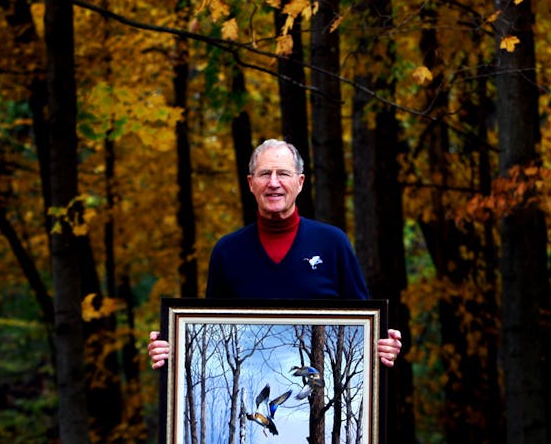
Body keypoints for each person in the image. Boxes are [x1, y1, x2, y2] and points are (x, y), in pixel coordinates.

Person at [148, 138, 402, 368]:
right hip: (250, 380)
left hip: (324, 388)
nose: (273, 183)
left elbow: (363, 331)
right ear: (250, 183)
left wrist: (382, 346)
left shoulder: (333, 244)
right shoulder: (228, 251)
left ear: (300, 182)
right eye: (264, 174)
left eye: (283, 174)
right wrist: (173, 348)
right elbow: (212, 337)